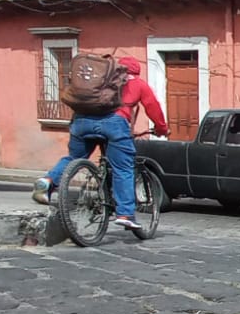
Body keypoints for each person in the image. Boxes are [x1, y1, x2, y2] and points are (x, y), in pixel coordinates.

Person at [32, 56, 168, 230]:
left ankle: (48, 180)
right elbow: (152, 106)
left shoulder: (101, 79)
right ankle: (125, 214)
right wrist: (162, 129)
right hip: (114, 123)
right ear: (136, 72)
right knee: (123, 168)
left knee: (74, 158)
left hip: (81, 121)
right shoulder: (138, 84)